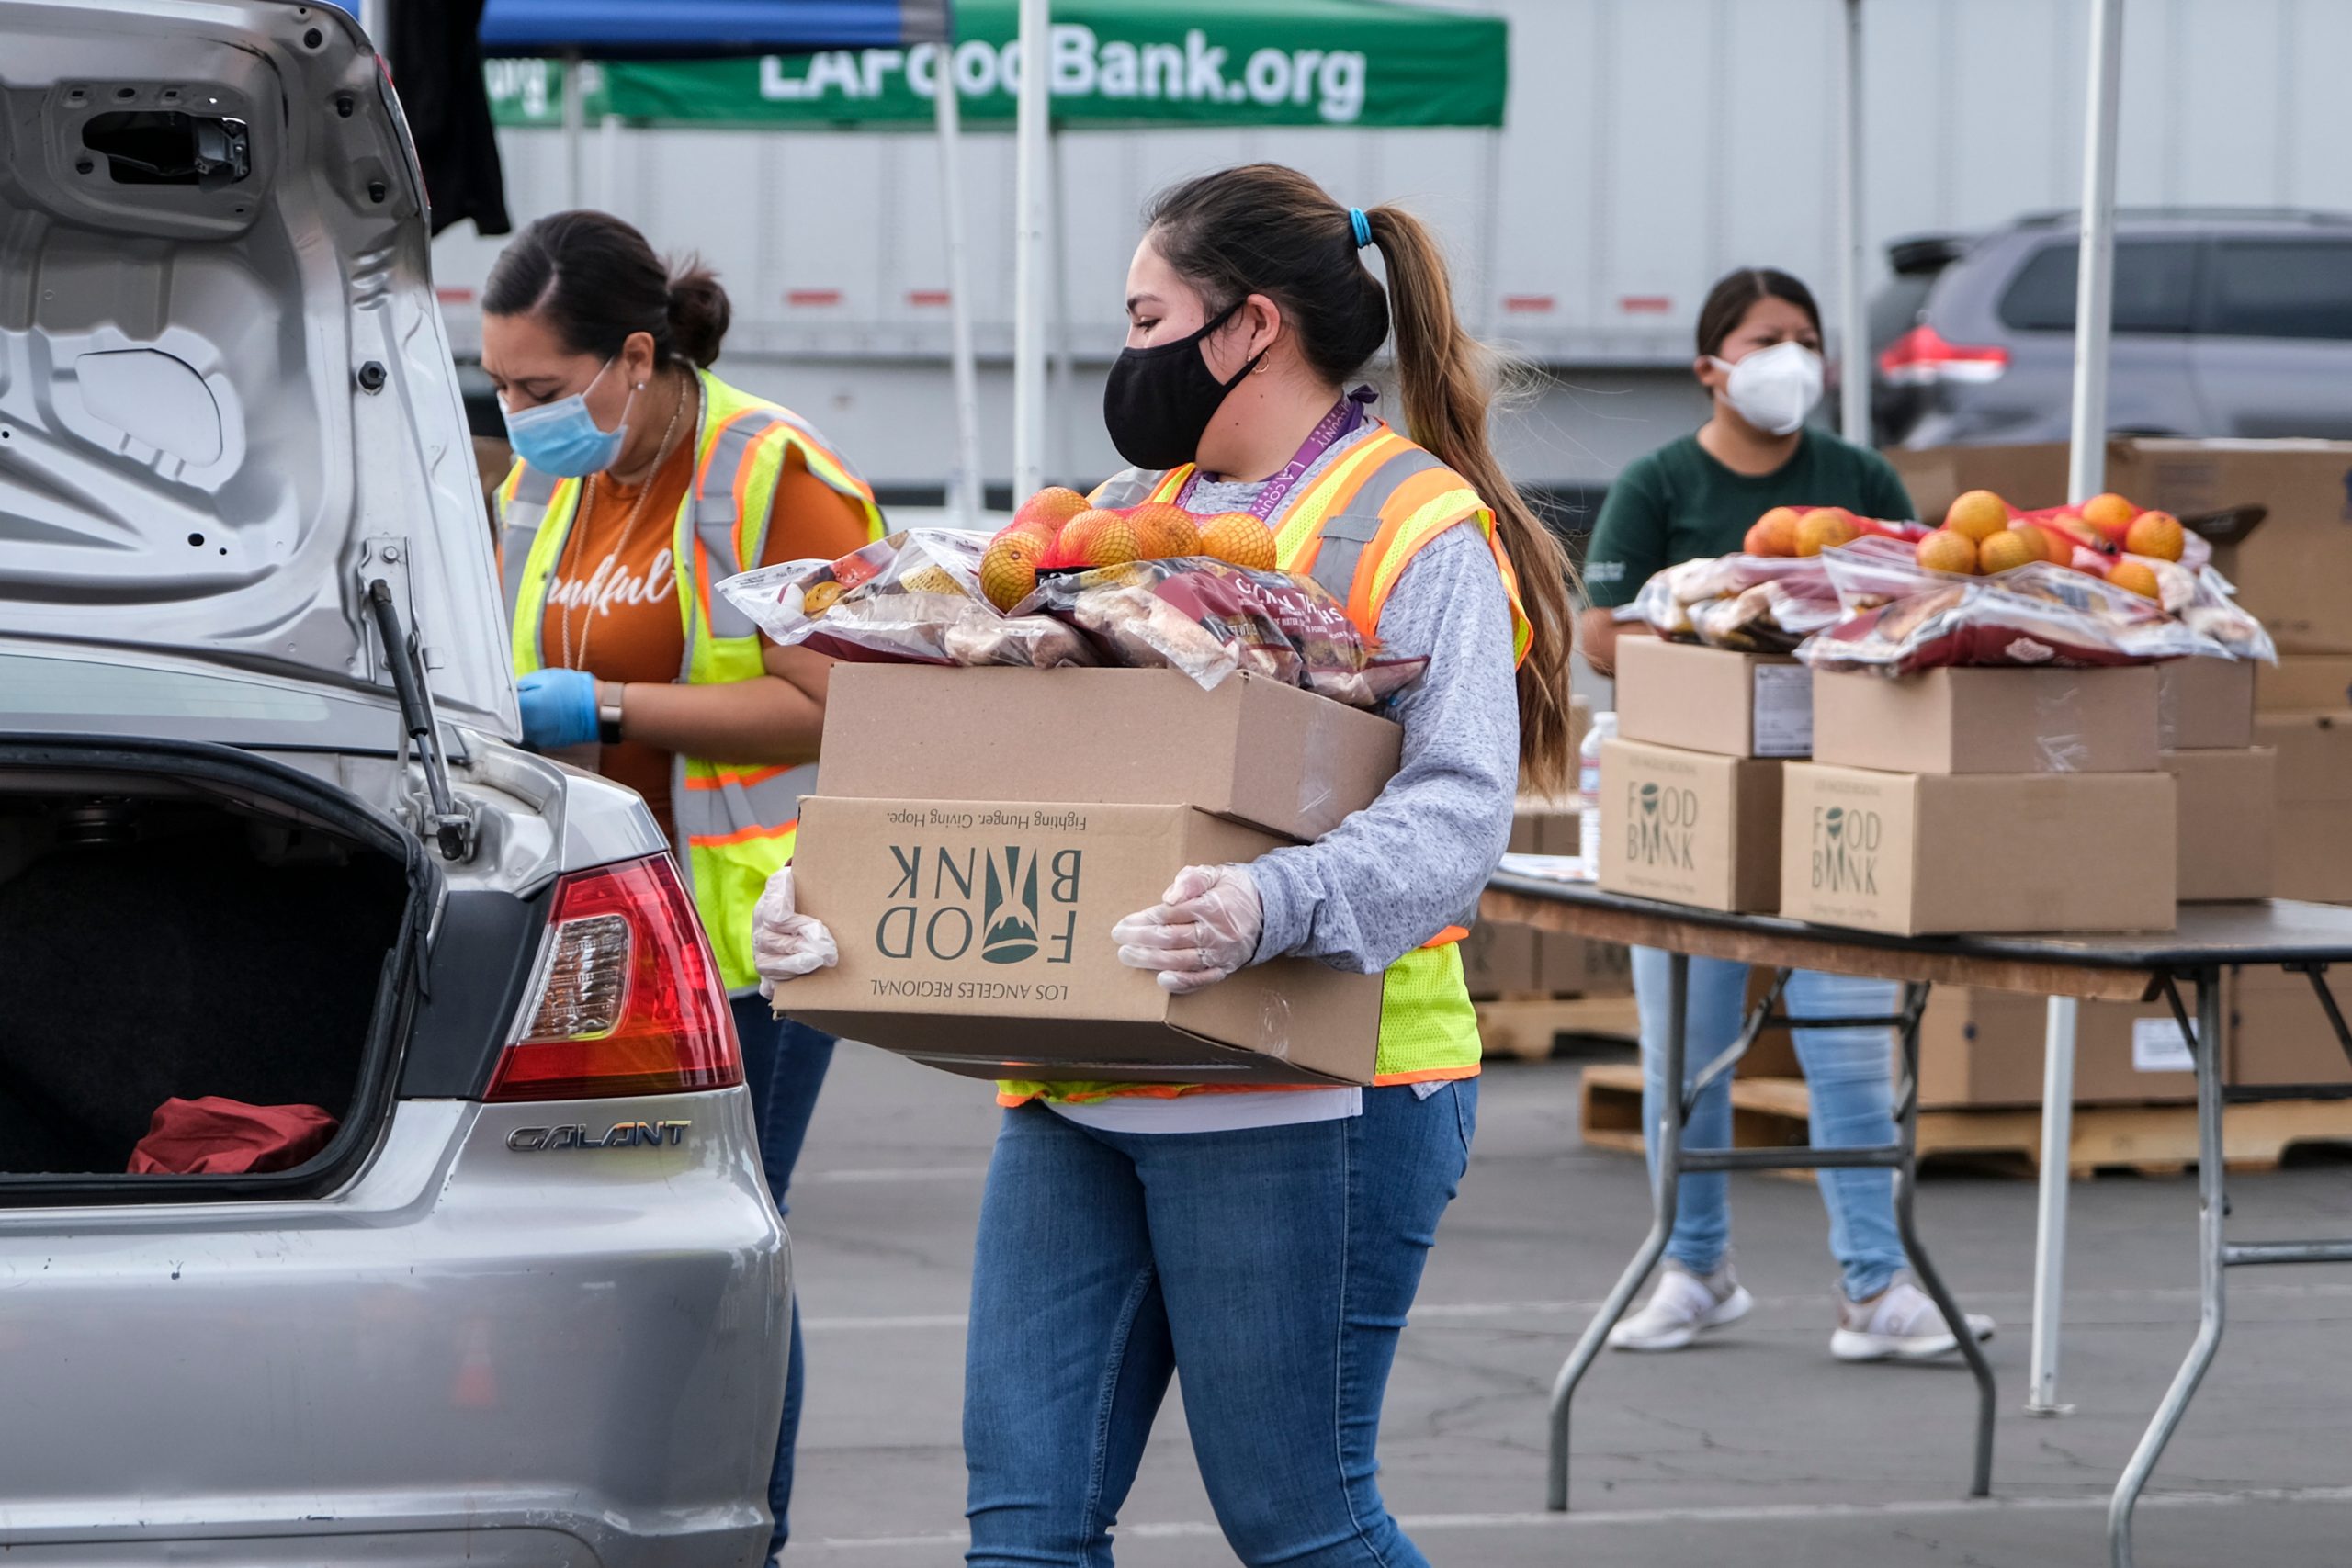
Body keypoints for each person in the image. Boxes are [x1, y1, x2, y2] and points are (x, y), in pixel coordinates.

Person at [755, 164, 1577, 1566]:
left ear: (1248, 325)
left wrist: (1275, 901)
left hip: (1323, 1083)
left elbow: (1455, 810)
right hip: (1087, 1072)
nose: (1124, 349)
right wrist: (840, 881)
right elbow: (1031, 763)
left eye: (1145, 314)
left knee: (1301, 1522)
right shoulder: (1129, 511)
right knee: (1022, 1528)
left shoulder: (1417, 520)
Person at [480, 210, 884, 1560]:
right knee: (618, 1261)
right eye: (501, 386)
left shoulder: (769, 469)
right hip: (602, 934)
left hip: (761, 933)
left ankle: (740, 1534)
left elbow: (851, 707)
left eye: (539, 387)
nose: (515, 412)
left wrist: (607, 700)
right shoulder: (548, 481)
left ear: (634, 357)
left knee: (725, 1256)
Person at [1578, 267, 1996, 1359]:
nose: (1792, 359)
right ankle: (1693, 1264)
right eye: (1768, 337)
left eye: (1807, 338)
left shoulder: (1856, 477)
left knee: (1850, 1047)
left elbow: (1914, 608)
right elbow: (1601, 634)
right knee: (1690, 1050)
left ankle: (1875, 1284)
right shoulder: (1658, 481)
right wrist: (1722, 651)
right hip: (1701, 802)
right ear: (1710, 364)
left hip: (1834, 794)